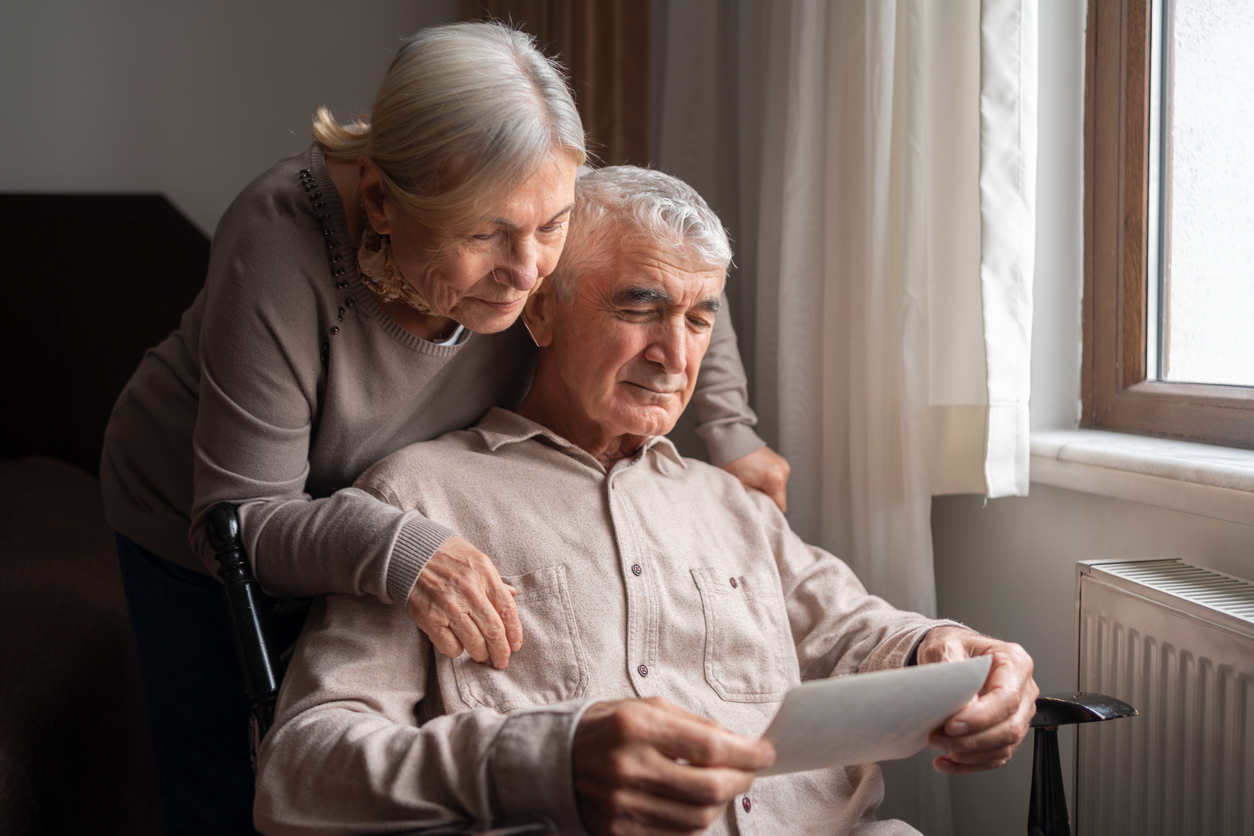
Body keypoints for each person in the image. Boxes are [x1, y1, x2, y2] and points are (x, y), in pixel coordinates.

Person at [99, 24, 786, 834]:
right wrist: (399, 548)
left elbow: (672, 261)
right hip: (205, 515)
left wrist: (732, 433)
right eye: (486, 233)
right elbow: (242, 523)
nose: (529, 269)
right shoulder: (280, 239)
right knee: (226, 784)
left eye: (552, 227)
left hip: (381, 484)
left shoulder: (531, 184)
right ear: (384, 200)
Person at [253, 167, 1038, 836]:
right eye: (639, 308)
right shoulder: (419, 499)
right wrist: (547, 762)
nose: (675, 355)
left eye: (697, 318)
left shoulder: (732, 508)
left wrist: (947, 649)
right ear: (542, 309)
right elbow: (300, 769)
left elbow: (855, 628)